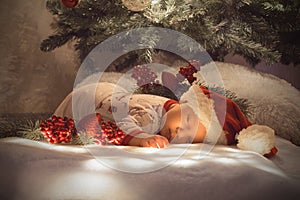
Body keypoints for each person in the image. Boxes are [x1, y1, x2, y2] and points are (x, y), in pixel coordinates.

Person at [54, 82, 251, 148]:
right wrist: (140, 139)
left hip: (101, 106)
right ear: (184, 104)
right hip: (89, 97)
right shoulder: (152, 113)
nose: (181, 132)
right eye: (189, 121)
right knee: (57, 124)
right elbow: (124, 119)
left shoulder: (170, 117)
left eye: (188, 138)